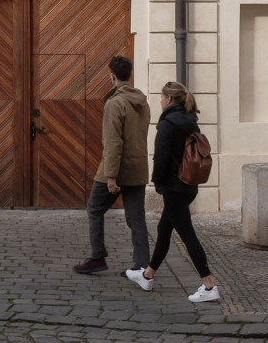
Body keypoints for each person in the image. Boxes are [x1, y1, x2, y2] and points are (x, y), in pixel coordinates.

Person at [125, 81, 218, 303]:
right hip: (188, 185)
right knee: (164, 229)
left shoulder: (167, 124)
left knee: (187, 234)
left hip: (174, 187)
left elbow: (162, 157)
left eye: (161, 97)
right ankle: (148, 275)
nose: (159, 101)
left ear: (168, 99)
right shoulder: (190, 121)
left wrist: (157, 183)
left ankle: (209, 285)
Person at [72, 53, 149, 275]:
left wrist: (112, 175)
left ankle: (98, 257)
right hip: (138, 168)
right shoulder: (142, 102)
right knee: (137, 218)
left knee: (94, 208)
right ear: (130, 74)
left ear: (112, 77)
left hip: (114, 169)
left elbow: (113, 142)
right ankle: (142, 266)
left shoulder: (115, 104)